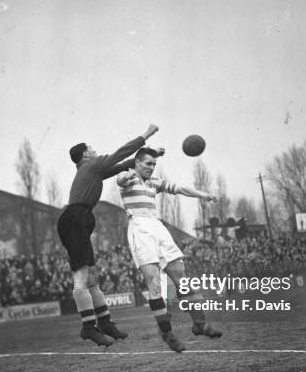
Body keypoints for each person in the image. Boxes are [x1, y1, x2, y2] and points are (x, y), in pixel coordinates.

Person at [57, 124, 161, 347]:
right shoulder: (92, 164)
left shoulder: (92, 169)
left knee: (92, 279)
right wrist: (146, 136)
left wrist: (145, 159)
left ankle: (104, 323)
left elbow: (123, 164)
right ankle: (88, 328)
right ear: (86, 154)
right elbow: (120, 153)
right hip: (75, 219)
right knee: (82, 279)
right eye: (91, 148)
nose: (95, 150)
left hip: (79, 219)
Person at [117, 147, 223, 352]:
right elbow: (121, 180)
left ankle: (200, 324)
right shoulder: (128, 177)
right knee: (155, 284)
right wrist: (127, 174)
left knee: (181, 280)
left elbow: (180, 189)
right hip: (140, 229)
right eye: (148, 163)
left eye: (154, 164)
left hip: (158, 227)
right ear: (137, 162)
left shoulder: (154, 182)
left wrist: (203, 194)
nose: (151, 167)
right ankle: (167, 333)